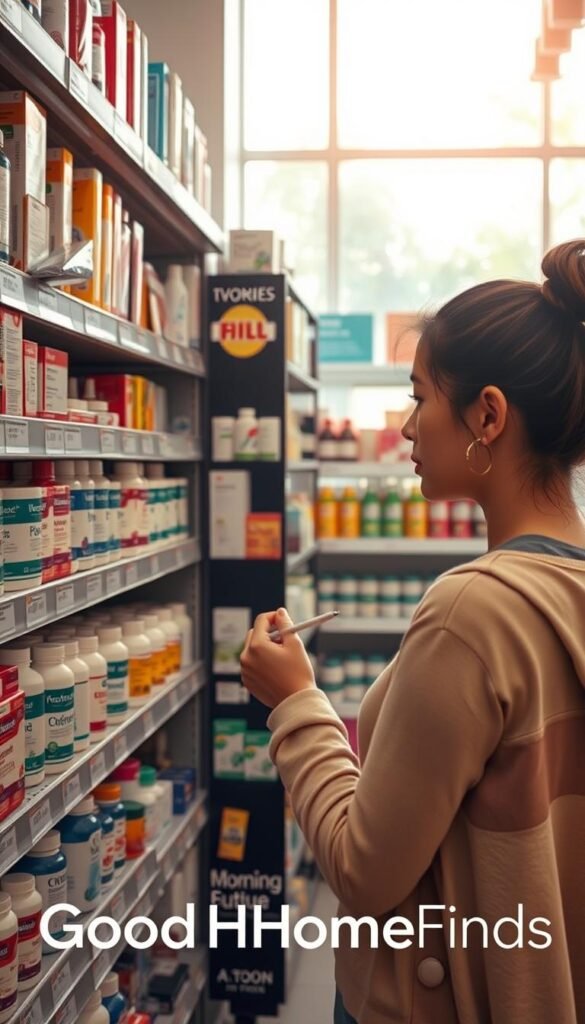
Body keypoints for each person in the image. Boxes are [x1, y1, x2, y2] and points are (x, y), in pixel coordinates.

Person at [240, 239, 585, 1024]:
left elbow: (365, 870)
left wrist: (295, 704)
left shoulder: (472, 613)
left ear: (487, 416)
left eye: (419, 396)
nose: (404, 427)